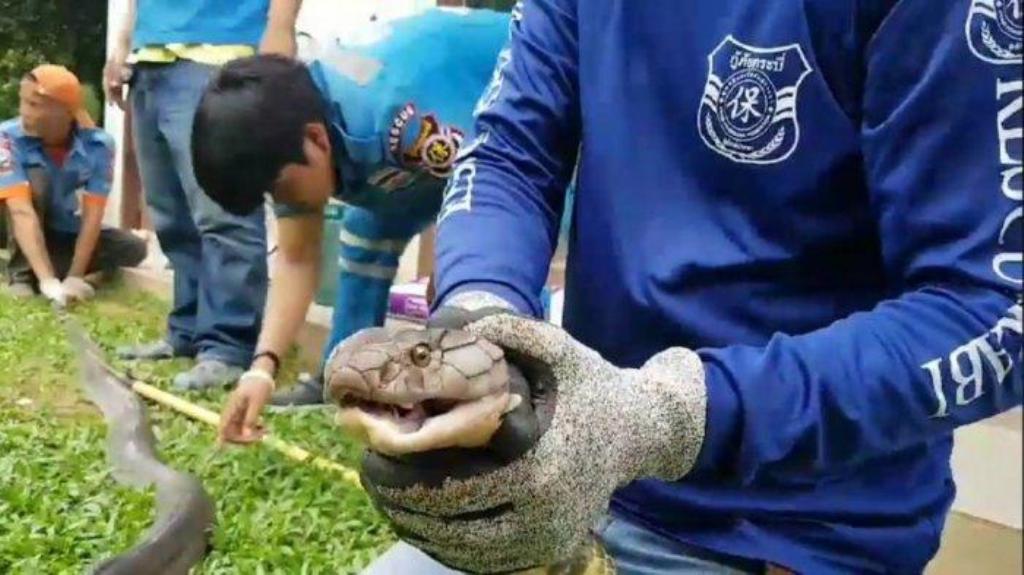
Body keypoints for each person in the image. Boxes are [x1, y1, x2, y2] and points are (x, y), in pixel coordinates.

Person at [348, 0, 1023, 574]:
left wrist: (663, 415)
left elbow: (992, 309)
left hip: (781, 529)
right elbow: (508, 154)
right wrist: (481, 324)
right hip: (569, 468)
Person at [190, 8, 512, 417]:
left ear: (316, 139)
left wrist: (454, 278)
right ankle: (347, 377)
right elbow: (296, 258)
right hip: (423, 148)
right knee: (365, 233)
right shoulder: (286, 134)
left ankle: (513, 384)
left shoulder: (402, 120)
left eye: (280, 190)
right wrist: (261, 369)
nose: (283, 202)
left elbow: (498, 198)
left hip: (530, 106)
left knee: (490, 265)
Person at [102, 0, 303, 390]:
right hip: (149, 63)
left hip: (219, 56)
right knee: (171, 213)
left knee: (224, 209)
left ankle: (228, 346)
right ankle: (187, 331)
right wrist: (122, 48)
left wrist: (280, 31)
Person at [1, 65, 146, 305]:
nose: (24, 112)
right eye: (23, 102)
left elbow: (93, 215)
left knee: (132, 248)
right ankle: (23, 276)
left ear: (65, 111)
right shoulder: (6, 138)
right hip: (10, 220)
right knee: (36, 183)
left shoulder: (99, 146)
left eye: (34, 105)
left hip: (58, 225)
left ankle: (64, 272)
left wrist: (75, 277)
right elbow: (21, 212)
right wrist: (48, 281)